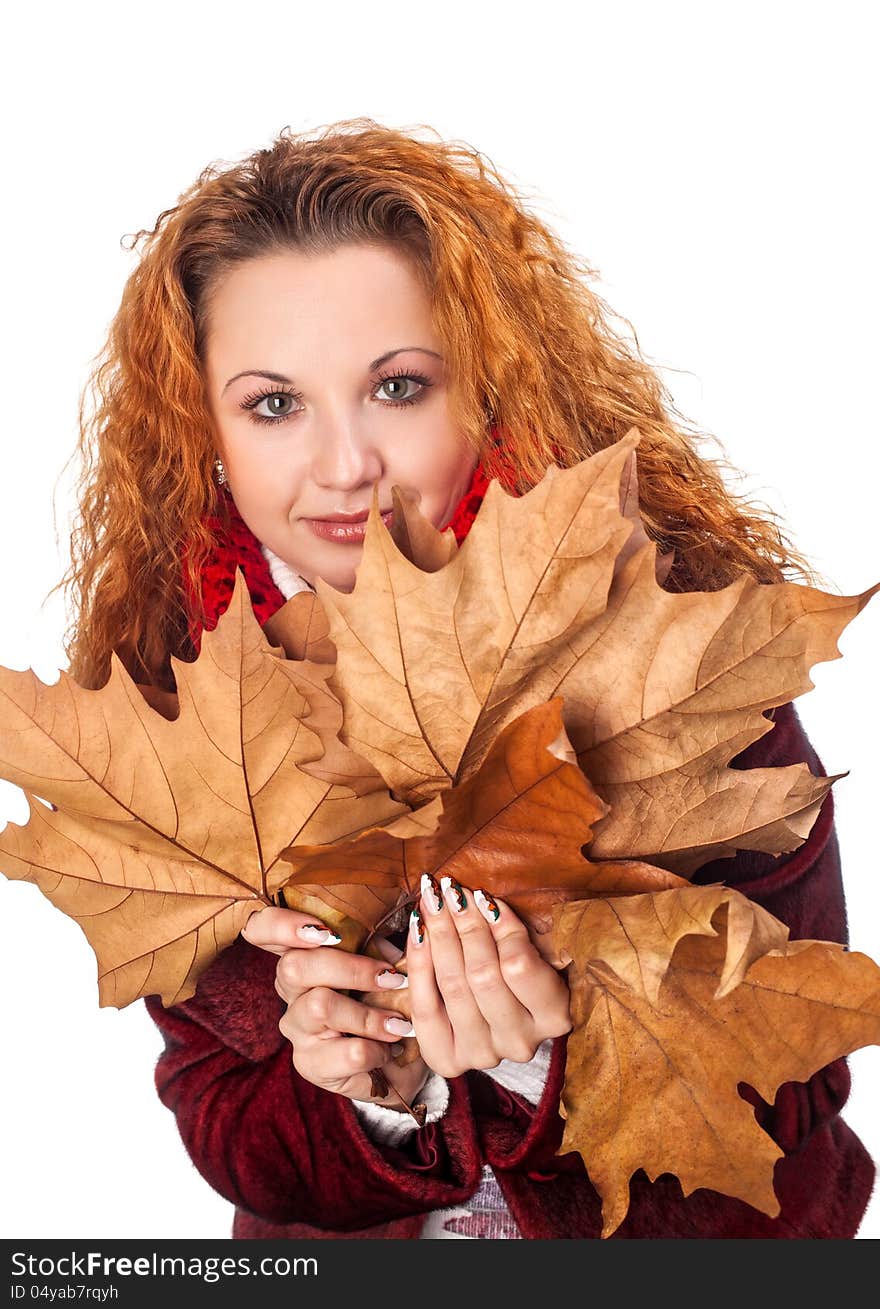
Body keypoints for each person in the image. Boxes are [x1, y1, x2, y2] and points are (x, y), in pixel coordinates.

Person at [54, 118, 874, 1239]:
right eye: (275, 404)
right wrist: (382, 1103)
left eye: (397, 387)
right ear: (204, 427)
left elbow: (796, 1088)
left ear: (485, 389)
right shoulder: (180, 703)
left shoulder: (667, 652)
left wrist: (546, 1066)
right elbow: (225, 1120)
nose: (345, 466)